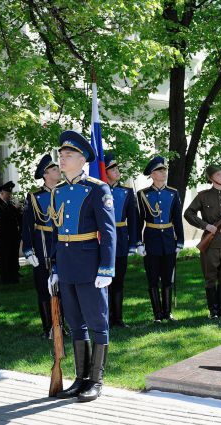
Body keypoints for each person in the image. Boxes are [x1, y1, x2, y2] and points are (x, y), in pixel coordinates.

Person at [49, 130, 116, 402]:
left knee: (98, 323)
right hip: (66, 266)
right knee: (76, 324)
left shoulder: (98, 188)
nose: (62, 160)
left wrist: (106, 269)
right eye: (61, 155)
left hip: (90, 266)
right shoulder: (59, 191)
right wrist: (54, 268)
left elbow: (108, 232)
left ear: (82, 160)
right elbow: (56, 233)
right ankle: (81, 378)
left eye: (68, 156)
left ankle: (96, 380)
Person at [184, 165, 221, 319]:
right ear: (210, 178)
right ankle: (213, 311)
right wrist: (205, 225)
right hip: (210, 241)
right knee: (210, 276)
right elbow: (188, 213)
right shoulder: (203, 196)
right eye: (218, 174)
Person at [136, 156, 184, 323]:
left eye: (164, 170)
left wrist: (180, 242)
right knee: (152, 277)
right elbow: (138, 220)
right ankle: (157, 314)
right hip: (151, 239)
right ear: (152, 174)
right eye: (159, 170)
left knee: (167, 277)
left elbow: (177, 219)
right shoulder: (142, 194)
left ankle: (167, 312)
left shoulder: (173, 193)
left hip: (169, 240)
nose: (163, 173)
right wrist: (138, 242)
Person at [22, 155, 61, 338]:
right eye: (54, 169)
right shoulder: (35, 196)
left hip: (64, 244)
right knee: (44, 288)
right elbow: (27, 225)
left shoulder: (65, 192)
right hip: (43, 244)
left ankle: (61, 325)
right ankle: (48, 328)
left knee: (63, 287)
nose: (58, 170)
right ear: (45, 174)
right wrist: (28, 249)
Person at [105, 153, 139, 327]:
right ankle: (104, 318)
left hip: (120, 240)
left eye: (117, 168)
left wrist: (133, 242)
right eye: (113, 169)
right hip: (101, 241)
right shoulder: (97, 190)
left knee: (118, 280)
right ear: (105, 171)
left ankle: (117, 318)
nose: (117, 171)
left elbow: (133, 219)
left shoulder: (126, 192)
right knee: (103, 280)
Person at [0, 181, 22, 284]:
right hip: (4, 235)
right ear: (2, 193)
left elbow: (18, 218)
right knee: (5, 256)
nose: (10, 195)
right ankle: (5, 277)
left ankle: (14, 275)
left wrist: (20, 210)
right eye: (8, 193)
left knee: (13, 255)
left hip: (14, 234)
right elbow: (0, 217)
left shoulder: (11, 205)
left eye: (10, 193)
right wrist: (14, 209)